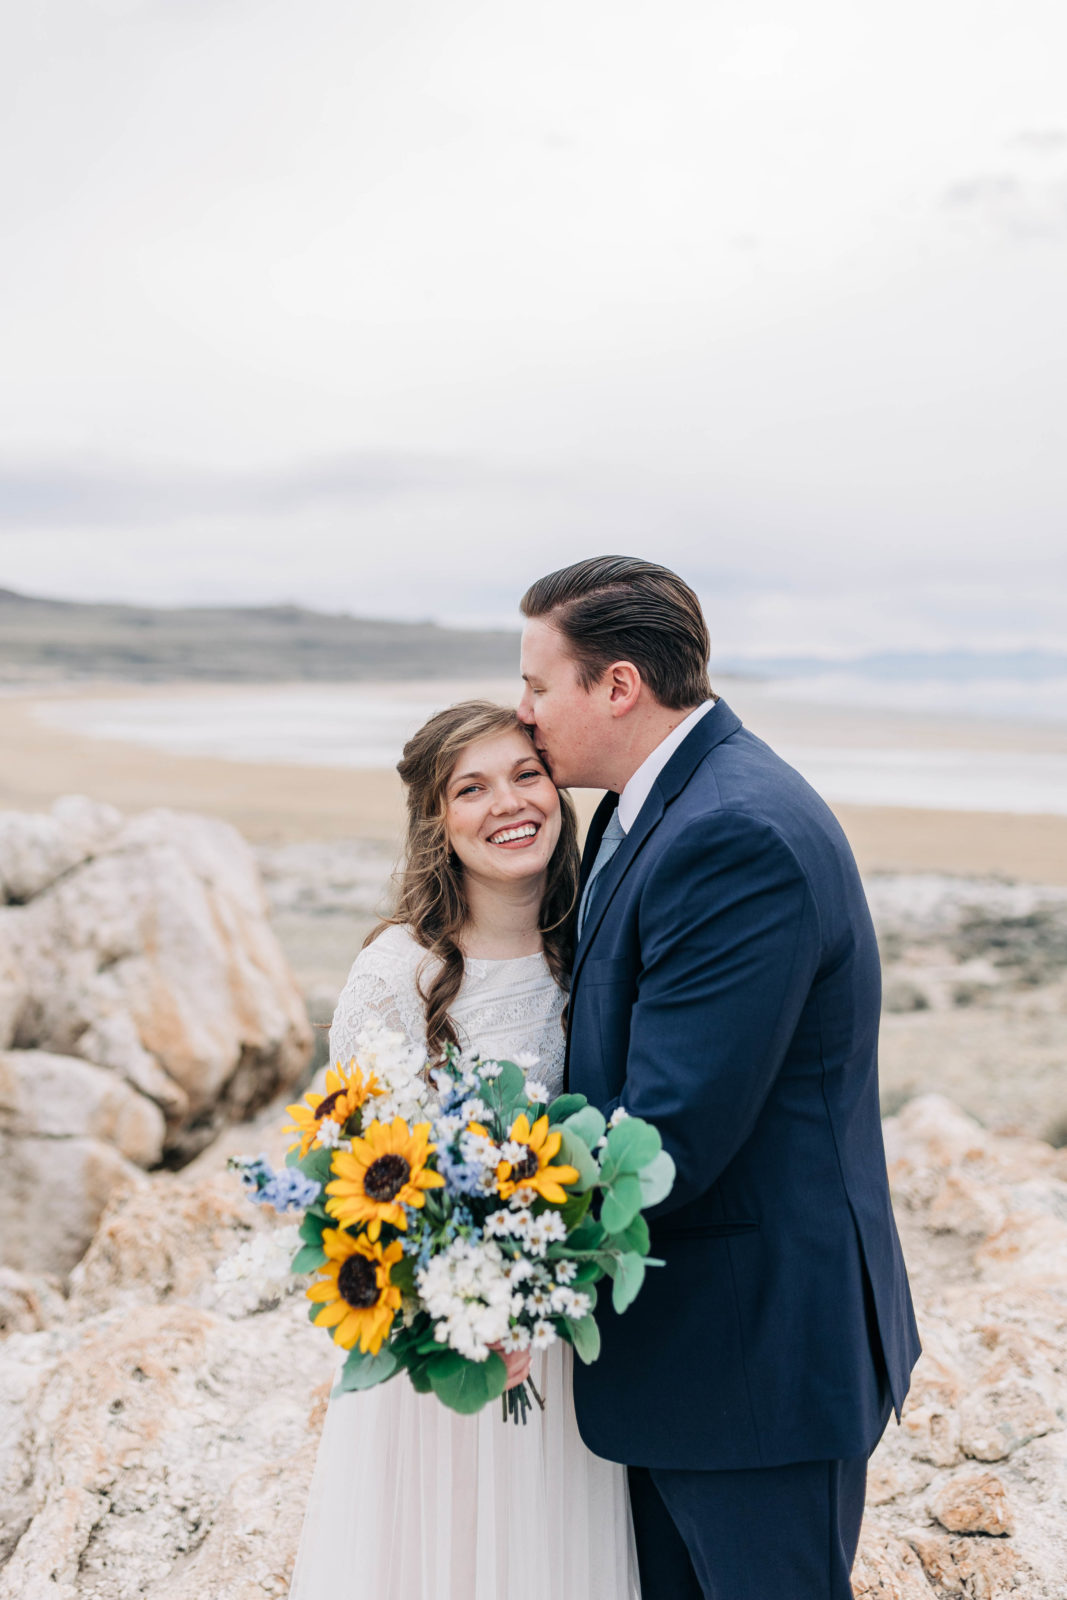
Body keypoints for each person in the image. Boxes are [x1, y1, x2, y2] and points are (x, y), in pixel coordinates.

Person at [517, 556, 921, 1600]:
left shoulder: (730, 831)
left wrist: (486, 1240)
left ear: (615, 686)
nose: (522, 714)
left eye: (535, 684)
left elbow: (671, 1133)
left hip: (754, 1361)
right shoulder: (657, 803)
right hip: (700, 1354)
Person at [287, 699, 641, 1600]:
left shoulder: (592, 952)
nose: (508, 803)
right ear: (436, 820)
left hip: (567, 1342)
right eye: (470, 788)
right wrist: (472, 1311)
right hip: (447, 1343)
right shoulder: (397, 971)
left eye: (526, 774)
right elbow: (361, 1178)